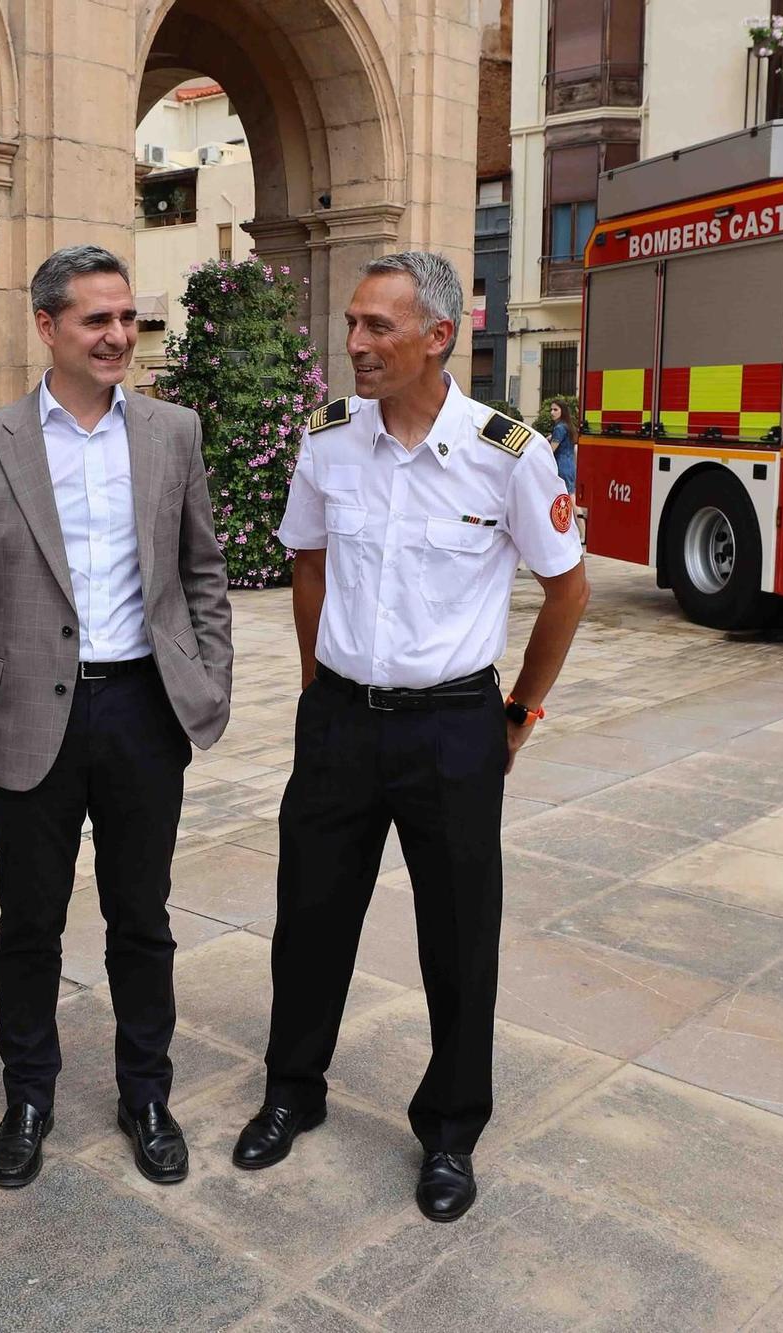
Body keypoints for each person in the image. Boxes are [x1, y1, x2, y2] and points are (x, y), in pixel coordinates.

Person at [232, 252, 590, 1223]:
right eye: (350, 323)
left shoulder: (505, 452)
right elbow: (305, 565)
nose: (353, 344)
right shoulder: (327, 442)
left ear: (439, 335)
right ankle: (290, 1092)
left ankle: (448, 1132)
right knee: (307, 920)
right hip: (341, 722)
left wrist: (517, 712)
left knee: (459, 939)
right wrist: (315, 687)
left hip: (452, 729)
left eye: (376, 327)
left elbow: (567, 589)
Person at [0, 244, 232, 1191]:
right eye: (96, 319)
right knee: (28, 922)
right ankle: (29, 1094)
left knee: (140, 918)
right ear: (47, 327)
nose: (117, 336)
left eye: (126, 318)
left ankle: (147, 1091)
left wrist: (208, 675)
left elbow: (203, 570)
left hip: (143, 708)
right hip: (29, 721)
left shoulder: (172, 431)